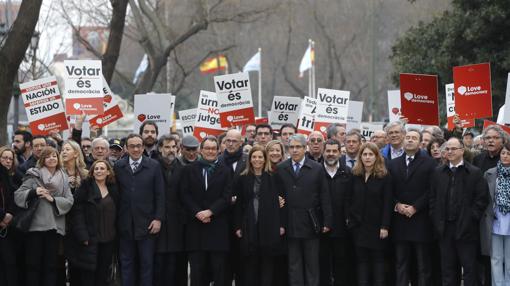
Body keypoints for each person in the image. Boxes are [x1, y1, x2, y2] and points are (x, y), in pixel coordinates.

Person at [429, 137, 489, 286]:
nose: (449, 151)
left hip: (467, 229)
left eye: (453, 148)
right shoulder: (438, 172)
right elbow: (432, 198)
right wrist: (435, 218)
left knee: (469, 269)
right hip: (445, 228)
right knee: (448, 269)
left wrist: (471, 218)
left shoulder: (474, 172)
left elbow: (481, 199)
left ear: (462, 150)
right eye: (447, 149)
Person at [275, 134, 332, 286]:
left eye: (298, 147)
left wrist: (327, 221)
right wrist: (280, 223)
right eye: (291, 147)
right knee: (294, 264)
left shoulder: (317, 168)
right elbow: (278, 197)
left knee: (312, 264)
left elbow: (324, 196)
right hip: (290, 222)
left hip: (311, 222)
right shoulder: (281, 168)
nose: (294, 150)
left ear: (304, 147)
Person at [14, 146, 74, 286]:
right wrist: (35, 192)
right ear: (42, 159)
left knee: (51, 266)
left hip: (55, 227)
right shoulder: (34, 174)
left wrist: (53, 200)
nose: (52, 158)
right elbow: (18, 195)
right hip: (35, 227)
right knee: (33, 266)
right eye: (48, 156)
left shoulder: (64, 176)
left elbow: (70, 201)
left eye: (54, 155)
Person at [180, 136, 232, 286]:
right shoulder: (188, 170)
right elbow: (184, 194)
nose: (210, 151)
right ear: (201, 150)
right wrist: (198, 213)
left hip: (218, 228)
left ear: (218, 150)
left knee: (219, 272)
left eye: (213, 148)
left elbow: (226, 196)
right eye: (207, 148)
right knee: (197, 273)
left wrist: (210, 212)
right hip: (196, 229)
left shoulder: (225, 171)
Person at [114, 134, 165, 286]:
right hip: (125, 225)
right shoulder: (119, 166)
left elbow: (160, 194)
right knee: (127, 264)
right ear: (126, 148)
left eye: (138, 146)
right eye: (132, 146)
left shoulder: (154, 166)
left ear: (143, 147)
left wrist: (158, 219)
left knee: (146, 264)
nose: (136, 149)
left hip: (147, 225)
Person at [388, 129, 436, 286]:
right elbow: (388, 190)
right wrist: (397, 205)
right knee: (401, 263)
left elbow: (431, 190)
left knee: (423, 265)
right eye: (407, 137)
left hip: (420, 221)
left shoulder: (429, 163)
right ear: (403, 140)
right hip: (400, 221)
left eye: (414, 138)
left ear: (420, 142)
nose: (409, 140)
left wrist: (415, 207)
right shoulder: (393, 164)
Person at [234, 145, 285, 286]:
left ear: (265, 159)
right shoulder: (243, 178)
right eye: (254, 157)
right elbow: (239, 204)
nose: (257, 160)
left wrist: (281, 225)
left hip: (269, 225)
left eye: (260, 157)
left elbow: (281, 203)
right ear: (250, 159)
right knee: (250, 263)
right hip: (249, 225)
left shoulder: (274, 177)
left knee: (267, 263)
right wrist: (237, 226)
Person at [65, 160, 118, 286]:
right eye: (96, 169)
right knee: (88, 276)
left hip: (108, 239)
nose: (99, 171)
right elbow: (76, 213)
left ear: (108, 172)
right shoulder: (85, 187)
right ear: (92, 172)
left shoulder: (114, 189)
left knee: (103, 274)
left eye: (102, 168)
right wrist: (82, 235)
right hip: (89, 239)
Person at [348, 142, 392, 286]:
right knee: (361, 262)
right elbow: (349, 199)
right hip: (358, 227)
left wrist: (385, 226)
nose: (367, 157)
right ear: (360, 157)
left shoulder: (384, 176)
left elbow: (387, 203)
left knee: (378, 262)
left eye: (370, 154)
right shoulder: (355, 175)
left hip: (377, 227)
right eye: (364, 154)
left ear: (376, 157)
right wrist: (350, 219)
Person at [320, 139, 355, 286]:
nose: (331, 154)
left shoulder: (348, 172)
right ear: (323, 152)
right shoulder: (316, 171)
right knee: (322, 265)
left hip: (342, 228)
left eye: (334, 151)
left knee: (342, 265)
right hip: (321, 228)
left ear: (340, 153)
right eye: (328, 151)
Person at [154, 135, 187, 286]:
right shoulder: (153, 167)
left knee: (174, 267)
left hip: (177, 226)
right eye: (167, 147)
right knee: (158, 266)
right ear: (160, 148)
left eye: (173, 147)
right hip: (157, 224)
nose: (171, 150)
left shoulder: (183, 168)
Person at [482, 142, 510, 286]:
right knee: (496, 257)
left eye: (508, 154)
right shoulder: (490, 173)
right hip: (495, 219)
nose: (505, 156)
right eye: (503, 153)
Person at [0, 147, 20, 286]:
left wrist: (9, 215)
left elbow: (14, 199)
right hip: (2, 222)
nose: (7, 161)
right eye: (4, 158)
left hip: (7, 227)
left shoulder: (12, 177)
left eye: (10, 159)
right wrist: (2, 216)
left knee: (9, 263)